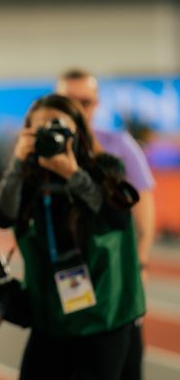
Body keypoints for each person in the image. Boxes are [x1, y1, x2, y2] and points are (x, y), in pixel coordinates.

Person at [0, 94, 145, 380]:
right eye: (40, 129)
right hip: (50, 316)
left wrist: (73, 173)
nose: (49, 135)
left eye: (57, 126)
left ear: (77, 130)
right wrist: (16, 163)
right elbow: (4, 216)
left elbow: (116, 217)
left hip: (104, 317)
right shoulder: (28, 178)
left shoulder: (106, 168)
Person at [56, 68, 154, 379]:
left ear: (96, 103)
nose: (78, 109)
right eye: (69, 101)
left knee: (123, 362)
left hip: (115, 278)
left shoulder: (119, 146)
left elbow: (144, 212)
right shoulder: (42, 150)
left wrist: (140, 263)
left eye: (85, 101)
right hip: (66, 273)